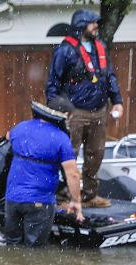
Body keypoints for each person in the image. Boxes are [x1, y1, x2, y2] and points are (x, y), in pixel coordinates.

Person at [46, 8, 124, 208]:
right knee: (67, 154)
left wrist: (117, 101)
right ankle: (63, 196)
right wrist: (56, 109)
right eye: (92, 23)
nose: (96, 26)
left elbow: (110, 76)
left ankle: (89, 195)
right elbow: (53, 83)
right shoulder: (65, 50)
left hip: (99, 110)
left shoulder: (100, 47)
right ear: (81, 25)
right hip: (74, 112)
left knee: (96, 153)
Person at [4, 102, 84, 247]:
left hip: (12, 200)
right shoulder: (61, 138)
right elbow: (73, 174)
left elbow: (7, 139)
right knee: (34, 252)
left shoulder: (20, 127)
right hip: (40, 203)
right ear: (65, 116)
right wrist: (76, 201)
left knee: (12, 247)